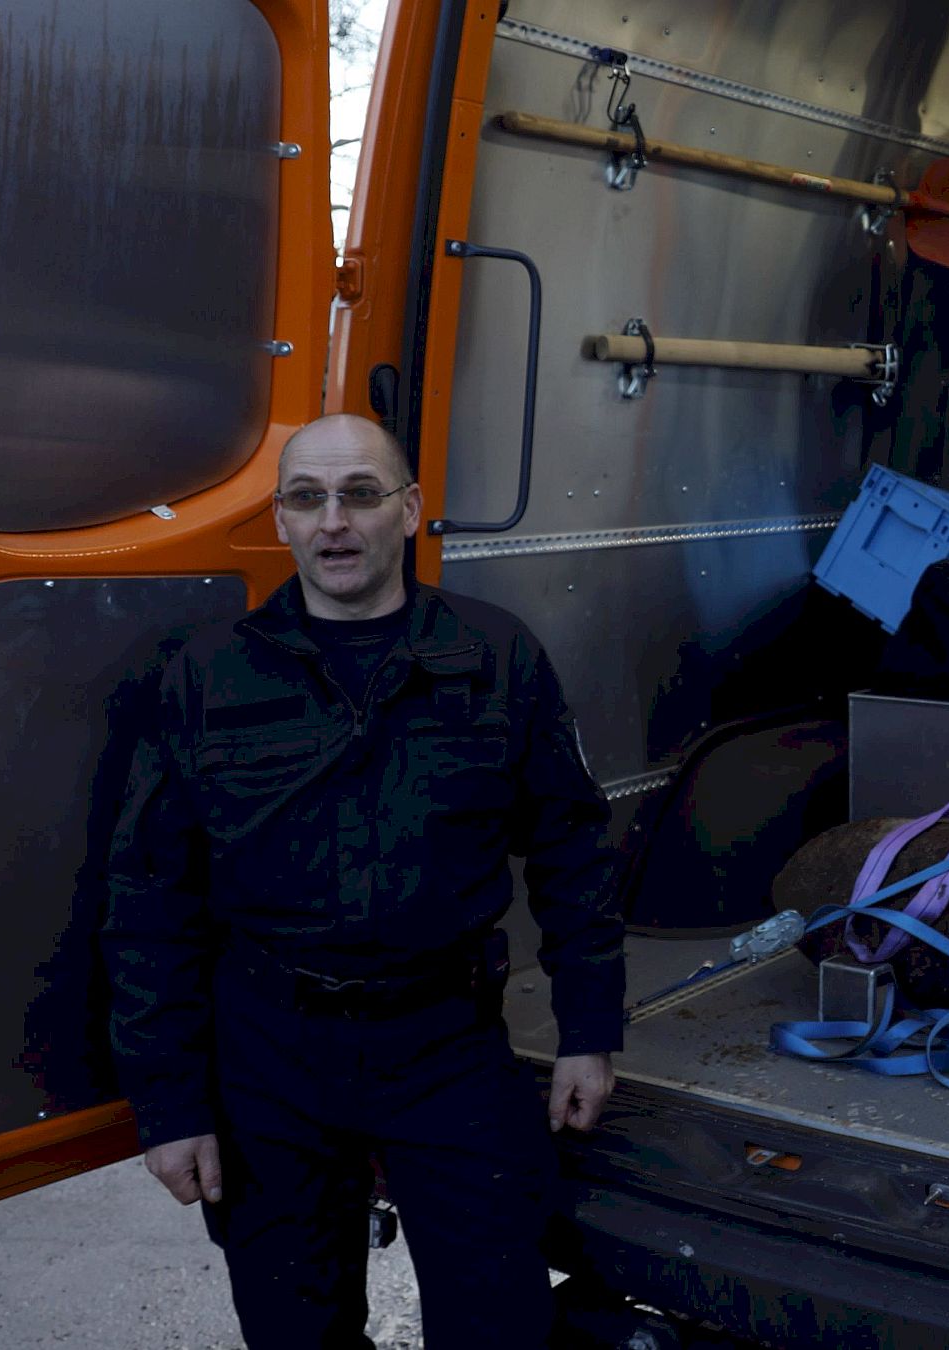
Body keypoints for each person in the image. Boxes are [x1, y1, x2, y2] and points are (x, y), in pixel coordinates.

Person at [101, 413, 623, 1348]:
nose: (333, 521)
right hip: (268, 1058)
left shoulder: (495, 656)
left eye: (360, 494)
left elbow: (572, 851)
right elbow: (150, 904)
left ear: (411, 510)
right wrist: (169, 1107)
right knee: (293, 1330)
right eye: (306, 499)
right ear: (283, 521)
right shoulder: (209, 678)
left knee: (500, 1323)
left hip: (446, 1045)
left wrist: (589, 1028)